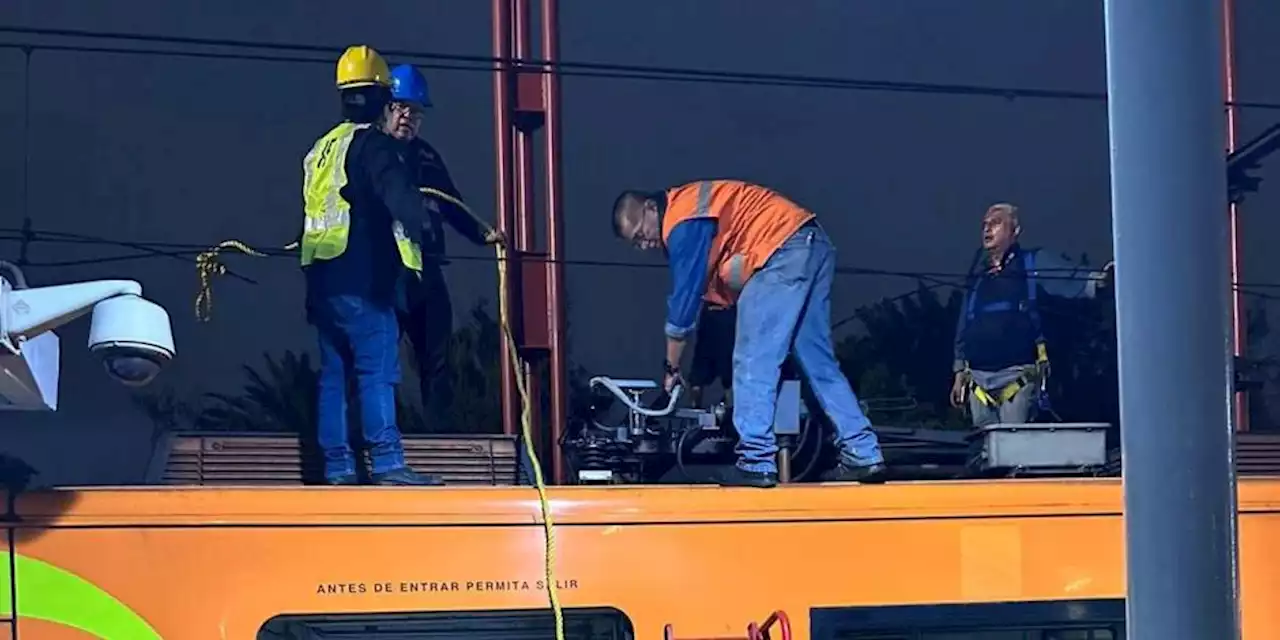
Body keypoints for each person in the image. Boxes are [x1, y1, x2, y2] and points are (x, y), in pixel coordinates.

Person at [612, 179, 886, 488]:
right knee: (817, 363)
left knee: (752, 358)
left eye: (641, 234)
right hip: (810, 241)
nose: (644, 244)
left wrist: (672, 368)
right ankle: (863, 451)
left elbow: (682, 306)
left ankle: (756, 460)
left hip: (778, 251)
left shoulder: (682, 220)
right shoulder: (704, 223)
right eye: (636, 244)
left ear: (651, 208)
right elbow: (714, 304)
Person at [299, 45, 443, 486]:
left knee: (334, 377)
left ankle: (339, 467)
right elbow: (399, 198)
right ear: (383, 97)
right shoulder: (375, 146)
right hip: (365, 282)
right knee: (377, 371)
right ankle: (387, 463)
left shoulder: (322, 147)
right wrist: (422, 221)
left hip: (323, 284)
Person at [383, 63, 503, 428]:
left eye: (416, 112)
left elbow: (451, 203)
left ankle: (437, 439)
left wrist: (482, 234)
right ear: (385, 108)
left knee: (437, 358)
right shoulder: (369, 152)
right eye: (401, 108)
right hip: (384, 272)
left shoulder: (426, 157)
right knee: (380, 362)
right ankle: (376, 441)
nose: (408, 118)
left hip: (426, 268)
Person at [950, 203, 1113, 427]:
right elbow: (964, 324)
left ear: (1015, 231)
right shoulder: (978, 279)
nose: (987, 229)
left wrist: (1101, 281)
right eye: (985, 225)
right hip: (977, 381)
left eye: (996, 223)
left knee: (1015, 448)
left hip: (1016, 377)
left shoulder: (1032, 263)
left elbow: (1067, 277)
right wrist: (959, 372)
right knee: (984, 452)